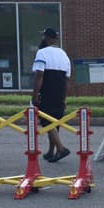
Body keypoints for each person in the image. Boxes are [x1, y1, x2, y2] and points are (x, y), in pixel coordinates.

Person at [31, 28, 72, 162]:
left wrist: (35, 93)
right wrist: (65, 98)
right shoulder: (64, 54)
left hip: (47, 91)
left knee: (47, 121)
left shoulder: (41, 53)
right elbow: (67, 79)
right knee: (55, 122)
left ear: (46, 38)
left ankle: (61, 148)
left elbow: (39, 75)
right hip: (60, 91)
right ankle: (51, 151)